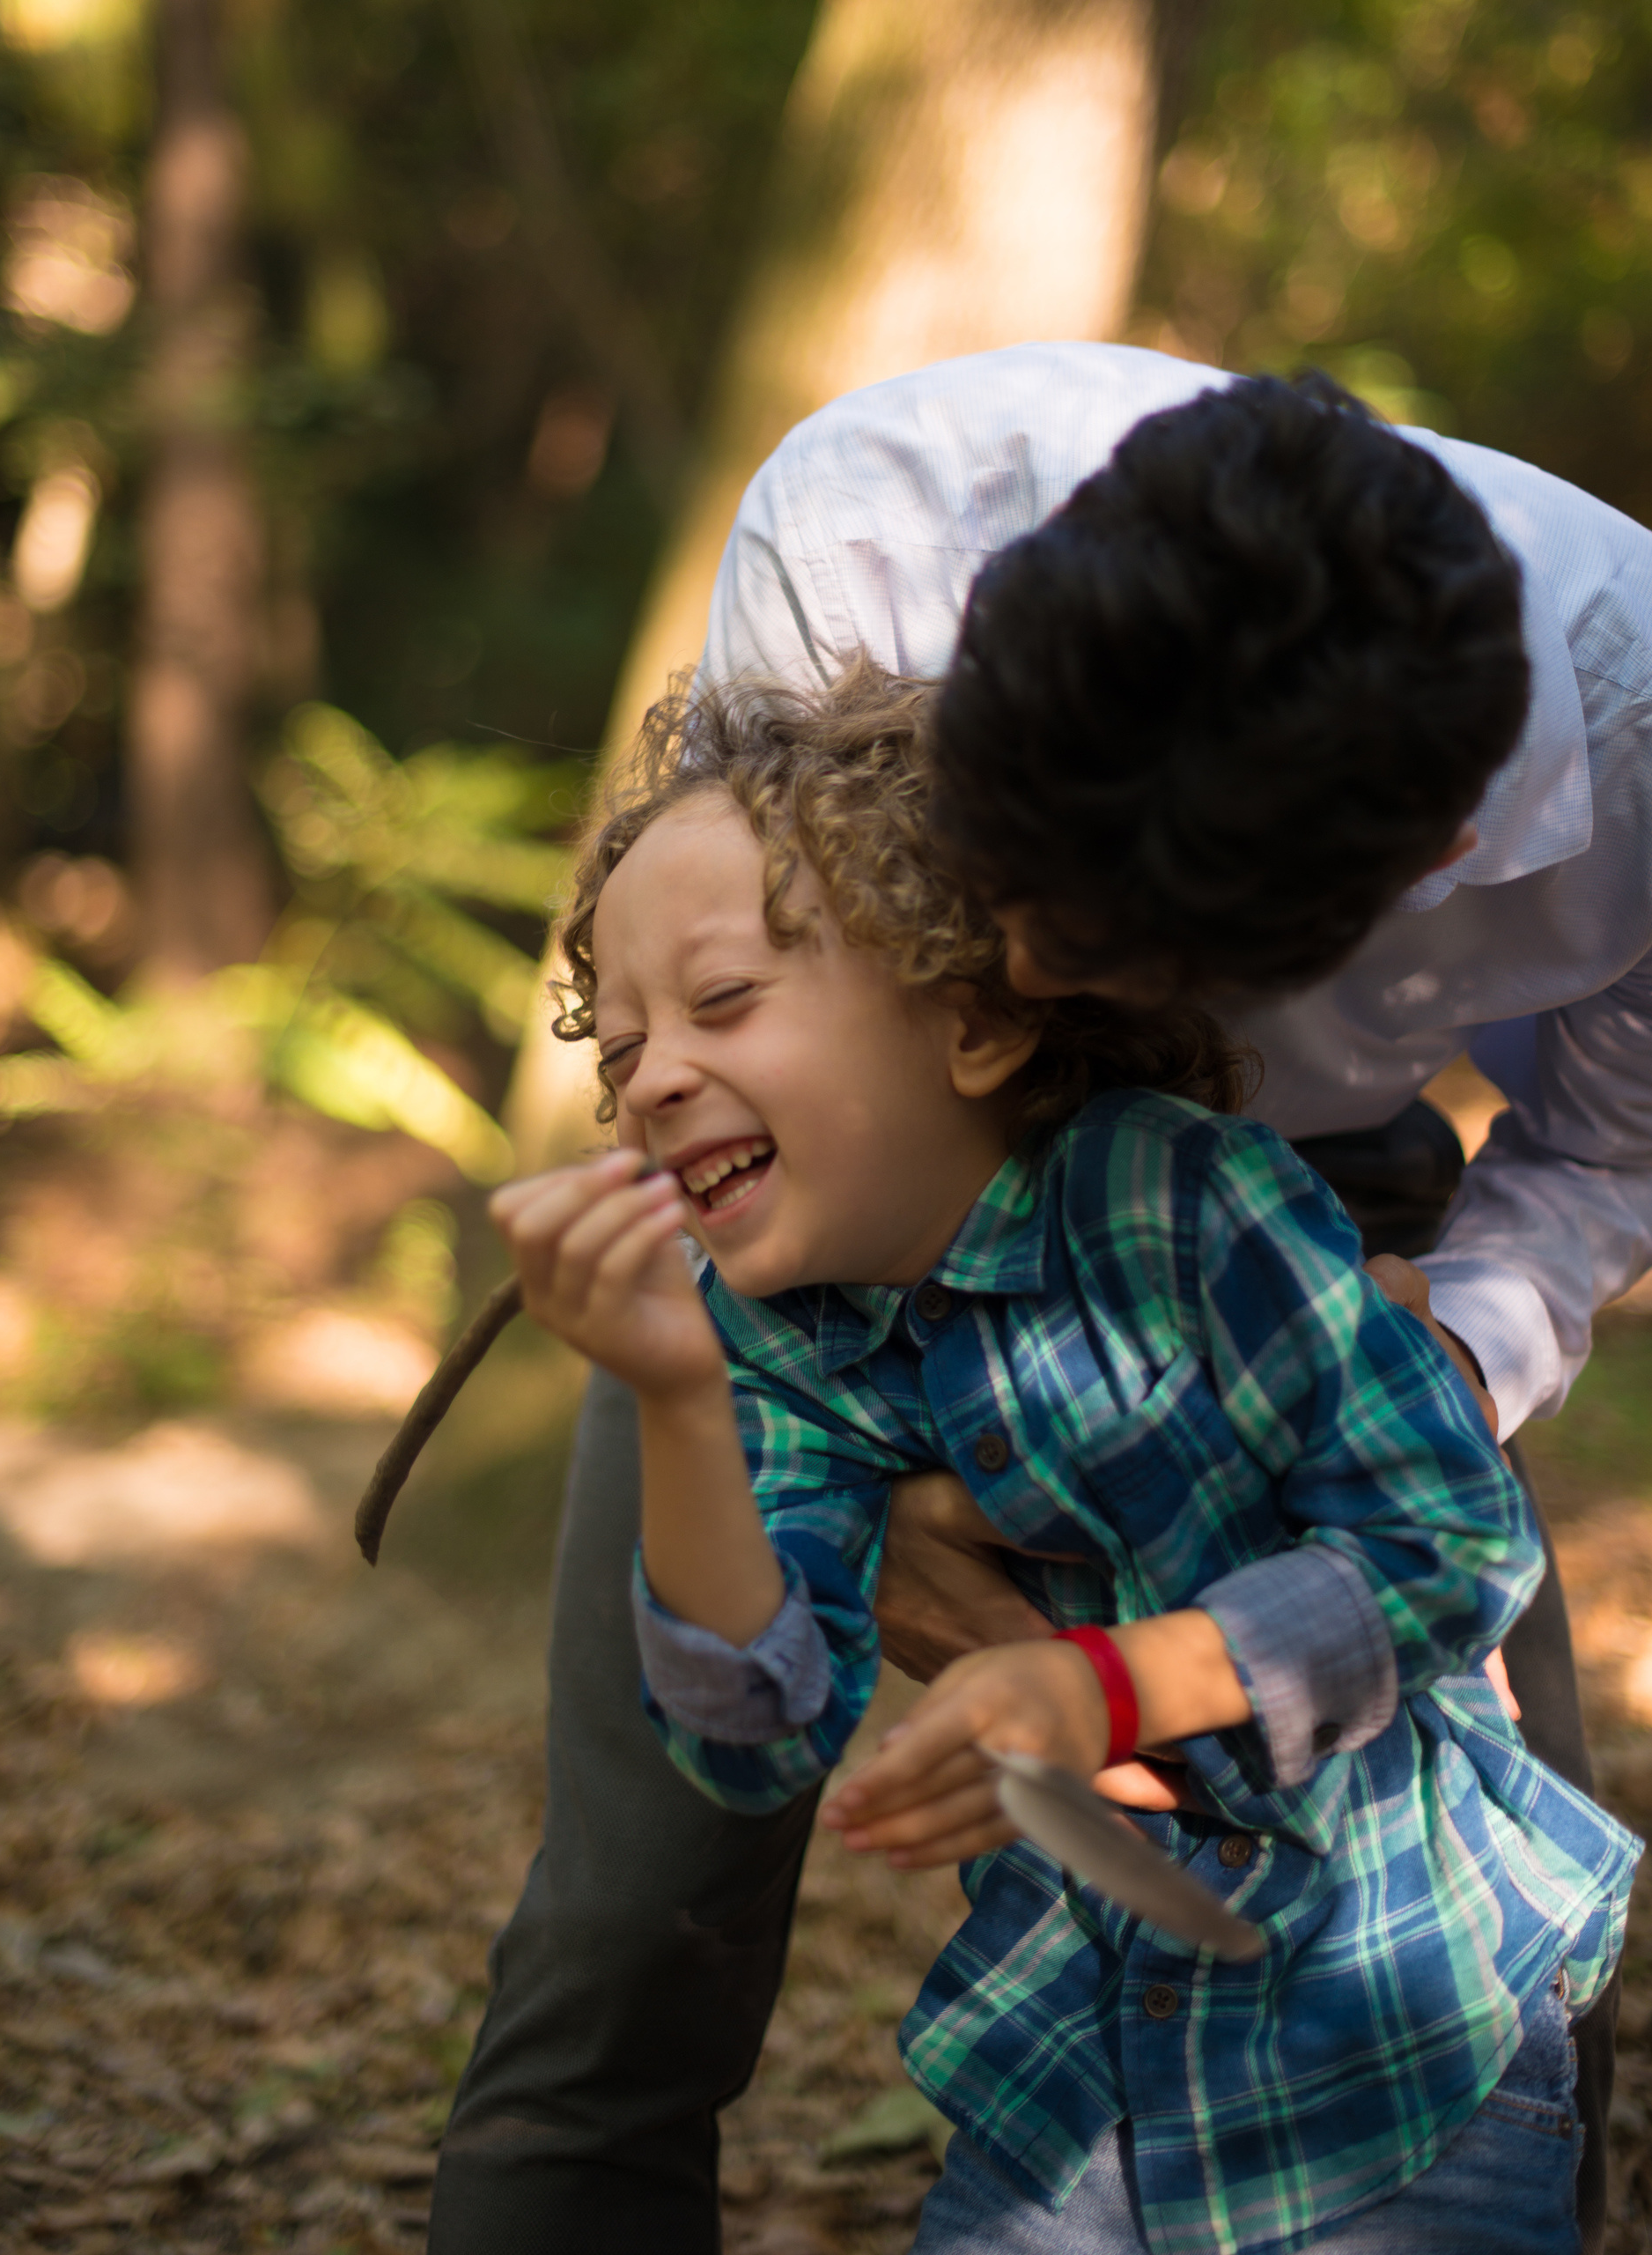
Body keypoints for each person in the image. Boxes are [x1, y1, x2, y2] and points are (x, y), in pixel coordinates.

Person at [426, 347, 1652, 2255]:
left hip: (1328, 1210)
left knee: (1474, 1929)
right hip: (842, 1223)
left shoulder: (1637, 740)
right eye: (991, 873)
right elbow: (728, 971)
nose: (992, 951)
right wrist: (736, 1413)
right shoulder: (877, 525)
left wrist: (1420, 1371)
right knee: (634, 1909)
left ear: (1416, 869)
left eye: (1068, 938)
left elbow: (1596, 1168)